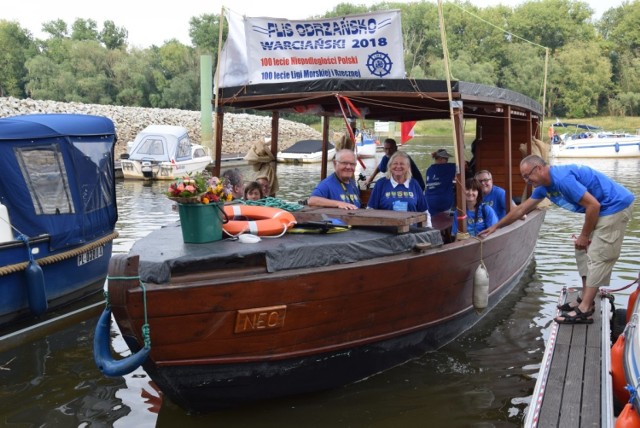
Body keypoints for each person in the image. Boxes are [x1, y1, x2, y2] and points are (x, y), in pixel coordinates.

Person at [479, 154, 635, 325]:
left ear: (538, 168)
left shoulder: (562, 179)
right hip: (600, 208)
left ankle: (585, 310)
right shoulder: (544, 186)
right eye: (523, 177)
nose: (526, 181)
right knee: (581, 250)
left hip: (615, 206)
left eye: (527, 175)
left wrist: (584, 235)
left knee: (598, 256)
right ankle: (585, 297)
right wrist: (496, 227)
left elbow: (593, 205)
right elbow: (522, 208)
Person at [367, 151, 430, 225]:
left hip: (411, 232)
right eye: (395, 163)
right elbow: (370, 210)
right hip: (386, 232)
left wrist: (429, 229)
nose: (398, 166)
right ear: (390, 166)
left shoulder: (414, 184)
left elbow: (425, 212)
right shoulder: (381, 184)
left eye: (402, 164)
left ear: (408, 167)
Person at [424, 148, 456, 216]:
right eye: (446, 159)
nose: (447, 161)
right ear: (441, 159)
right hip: (443, 201)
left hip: (428, 201)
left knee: (433, 219)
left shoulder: (429, 169)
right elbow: (462, 166)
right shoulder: (449, 167)